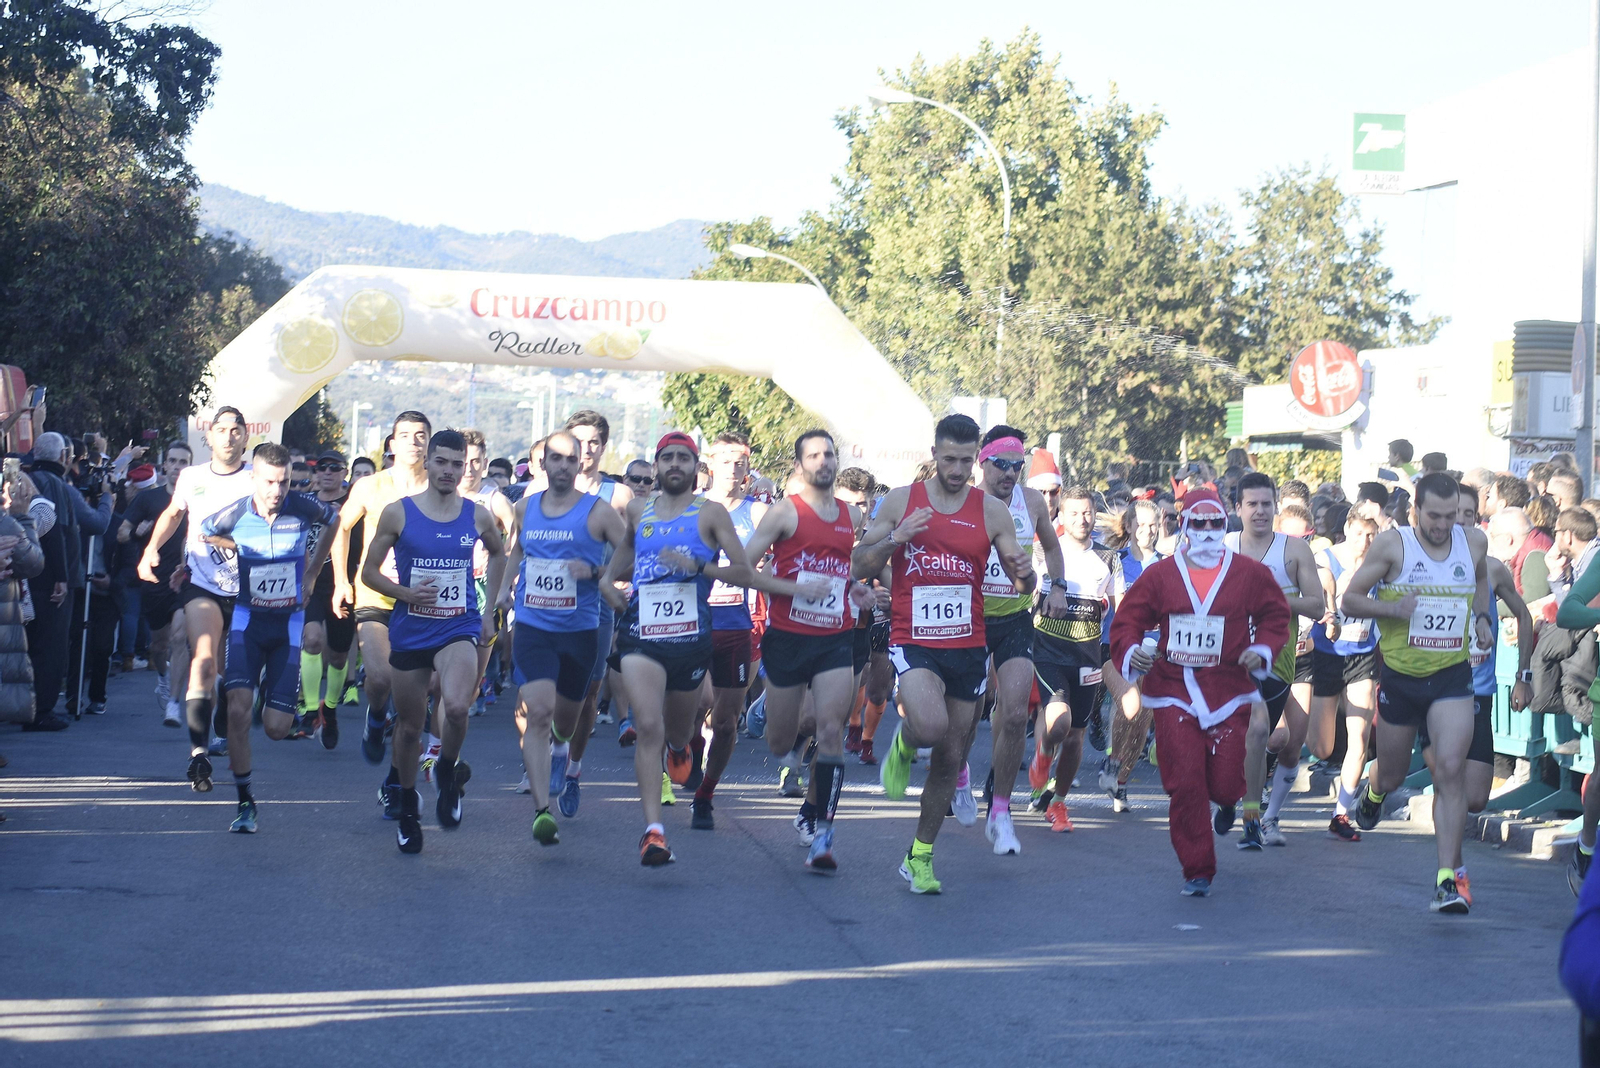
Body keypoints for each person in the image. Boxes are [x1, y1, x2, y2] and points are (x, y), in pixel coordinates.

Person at [851, 414, 1036, 895]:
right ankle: (905, 740)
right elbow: (858, 562)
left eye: (966, 460)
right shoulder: (901, 501)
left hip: (968, 643)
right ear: (934, 454)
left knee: (951, 757)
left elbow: (1023, 583)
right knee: (931, 728)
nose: (958, 469)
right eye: (949, 459)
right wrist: (897, 538)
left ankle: (920, 856)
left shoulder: (991, 511)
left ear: (977, 457)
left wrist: (1025, 573)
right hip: (914, 637)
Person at [1108, 487, 1291, 897]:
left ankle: (1228, 804)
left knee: (1227, 783)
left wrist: (1260, 650)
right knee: (1185, 780)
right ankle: (1197, 866)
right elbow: (1128, 620)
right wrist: (1133, 651)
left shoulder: (1248, 574)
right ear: (1185, 526)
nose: (1207, 531)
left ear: (1224, 524)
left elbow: (1275, 615)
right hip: (1174, 690)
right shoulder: (1161, 575)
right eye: (1198, 523)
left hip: (1228, 689)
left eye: (1214, 524)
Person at [1341, 472, 1494, 914]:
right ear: (1415, 512)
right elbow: (1350, 600)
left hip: (1451, 675)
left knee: (1449, 769)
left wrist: (1482, 617)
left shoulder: (1474, 543)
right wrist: (1392, 609)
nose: (1443, 525)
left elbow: (1482, 579)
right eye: (1434, 516)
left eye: (1451, 517)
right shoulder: (1394, 546)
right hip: (1401, 677)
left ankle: (1447, 880)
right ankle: (1372, 794)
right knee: (1390, 775)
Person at [600, 432, 755, 866]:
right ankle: (654, 831)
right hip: (642, 633)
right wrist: (609, 585)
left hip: (690, 638)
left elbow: (742, 570)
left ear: (694, 467)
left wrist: (699, 567)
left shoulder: (712, 513)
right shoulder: (637, 509)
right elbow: (624, 557)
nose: (674, 464)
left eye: (682, 458)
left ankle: (681, 748)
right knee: (647, 725)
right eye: (666, 457)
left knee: (679, 730)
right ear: (656, 465)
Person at [359, 430, 506, 854]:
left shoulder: (476, 516)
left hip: (456, 627)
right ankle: (407, 808)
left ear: (465, 467)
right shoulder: (398, 513)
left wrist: (486, 610)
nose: (449, 471)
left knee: (457, 706)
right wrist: (405, 594)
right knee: (407, 729)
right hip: (411, 630)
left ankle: (446, 770)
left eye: (457, 464)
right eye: (441, 462)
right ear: (429, 463)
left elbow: (498, 553)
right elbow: (369, 572)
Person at [738, 429, 874, 870]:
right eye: (814, 455)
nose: (824, 461)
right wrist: (793, 586)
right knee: (781, 741)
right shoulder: (784, 513)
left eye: (829, 453)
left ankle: (823, 832)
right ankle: (764, 711)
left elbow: (840, 568)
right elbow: (744, 571)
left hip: (834, 637)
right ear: (800, 465)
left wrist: (856, 590)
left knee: (830, 729)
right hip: (787, 637)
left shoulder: (850, 518)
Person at [497, 430, 626, 846]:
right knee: (538, 712)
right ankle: (540, 811)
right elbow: (517, 551)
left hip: (580, 630)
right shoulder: (524, 508)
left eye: (572, 459)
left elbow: (632, 556)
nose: (565, 466)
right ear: (542, 463)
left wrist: (597, 573)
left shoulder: (599, 512)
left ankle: (562, 750)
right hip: (534, 628)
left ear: (580, 464)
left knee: (565, 721)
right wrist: (504, 587)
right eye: (557, 458)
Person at [200, 443, 336, 833]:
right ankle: (245, 804)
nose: (277, 491)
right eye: (270, 482)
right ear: (254, 478)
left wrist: (311, 573)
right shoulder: (236, 513)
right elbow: (206, 532)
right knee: (240, 712)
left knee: (276, 728)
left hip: (288, 626)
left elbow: (335, 519)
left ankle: (254, 692)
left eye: (284, 482)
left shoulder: (303, 507)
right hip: (248, 622)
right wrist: (238, 549)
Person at [138, 409, 252, 786]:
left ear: (246, 437)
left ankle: (215, 715)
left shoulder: (256, 479)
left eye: (236, 431)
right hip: (200, 581)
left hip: (246, 587)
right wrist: (151, 549)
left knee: (222, 674)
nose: (229, 437)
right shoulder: (192, 476)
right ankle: (198, 754)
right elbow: (173, 514)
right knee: (202, 659)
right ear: (210, 437)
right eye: (221, 430)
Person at [329, 411, 432, 815]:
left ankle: (394, 781)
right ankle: (375, 716)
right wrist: (340, 579)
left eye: (420, 435)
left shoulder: (439, 488)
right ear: (390, 443)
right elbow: (341, 528)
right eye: (404, 435)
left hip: (422, 601)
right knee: (380, 678)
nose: (412, 442)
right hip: (375, 593)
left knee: (413, 703)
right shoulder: (371, 486)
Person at [969, 427, 1066, 854]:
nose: (1010, 472)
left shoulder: (1030, 502)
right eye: (1002, 464)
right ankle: (957, 776)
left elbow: (1052, 546)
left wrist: (1058, 585)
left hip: (1014, 618)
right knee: (967, 712)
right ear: (982, 463)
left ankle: (1001, 811)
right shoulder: (965, 500)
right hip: (968, 619)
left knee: (1012, 716)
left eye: (1017, 465)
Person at [1226, 472, 1324, 849]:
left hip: (1278, 662)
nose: (1261, 511)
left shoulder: (1294, 550)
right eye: (1252, 504)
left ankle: (1257, 814)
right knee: (1253, 730)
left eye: (1267, 504)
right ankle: (1247, 815)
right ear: (1239, 509)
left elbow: (1317, 606)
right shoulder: (1224, 546)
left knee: (1269, 737)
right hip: (1230, 659)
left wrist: (1273, 599)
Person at [551, 411, 634, 816]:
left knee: (586, 695)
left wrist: (603, 573)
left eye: (593, 442)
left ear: (603, 447)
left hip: (595, 603)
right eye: (577, 441)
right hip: (546, 604)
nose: (585, 449)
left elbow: (632, 554)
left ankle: (573, 771)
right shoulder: (543, 488)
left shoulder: (618, 497)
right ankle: (551, 752)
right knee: (544, 692)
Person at [1026, 484, 1121, 834]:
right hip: (1048, 652)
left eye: (1088, 512)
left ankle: (1059, 803)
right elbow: (1026, 597)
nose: (1082, 519)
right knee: (1060, 721)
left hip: (1088, 657)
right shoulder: (1042, 552)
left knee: (1076, 737)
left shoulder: (1109, 557)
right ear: (1060, 517)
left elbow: (1120, 607)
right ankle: (1041, 754)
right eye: (1074, 513)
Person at [692, 432, 765, 812]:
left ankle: (706, 792)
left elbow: (784, 553)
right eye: (726, 461)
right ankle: (687, 744)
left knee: (725, 721)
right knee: (697, 701)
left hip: (737, 622)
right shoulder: (692, 508)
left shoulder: (757, 513)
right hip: (692, 620)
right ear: (710, 463)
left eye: (740, 463)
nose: (733, 470)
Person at [24, 431, 113, 730]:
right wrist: (61, 578)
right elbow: (56, 533)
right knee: (50, 647)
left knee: (26, 646)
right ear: (63, 458)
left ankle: (26, 706)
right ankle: (41, 711)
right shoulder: (58, 487)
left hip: (25, 576)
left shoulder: (25, 479)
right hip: (51, 582)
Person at [1309, 512, 1380, 841]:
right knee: (1322, 748)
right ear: (1346, 530)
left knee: (1359, 738)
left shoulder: (1380, 563)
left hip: (1362, 656)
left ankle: (1341, 813)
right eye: (1359, 533)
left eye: (1371, 535)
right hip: (1325, 657)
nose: (1364, 541)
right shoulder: (1323, 559)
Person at [120, 441, 191, 726]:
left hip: (188, 579)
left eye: (183, 462)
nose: (176, 466)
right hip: (155, 580)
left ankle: (173, 704)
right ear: (165, 465)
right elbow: (121, 533)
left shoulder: (199, 500)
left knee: (178, 638)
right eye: (172, 461)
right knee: (159, 646)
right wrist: (137, 530)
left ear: (190, 467)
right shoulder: (148, 500)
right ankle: (163, 678)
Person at [295, 450, 354, 747]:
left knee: (339, 655)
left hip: (344, 582)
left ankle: (329, 708)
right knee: (313, 639)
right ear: (316, 472)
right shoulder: (305, 502)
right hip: (312, 582)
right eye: (323, 467)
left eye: (335, 468)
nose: (328, 472)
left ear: (344, 472)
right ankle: (307, 709)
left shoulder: (354, 502)